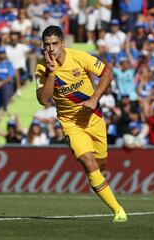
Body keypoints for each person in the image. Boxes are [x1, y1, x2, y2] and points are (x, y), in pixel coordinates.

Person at [35, 26, 127, 222]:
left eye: (55, 44)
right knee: (88, 161)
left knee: (100, 165)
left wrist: (94, 98)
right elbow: (43, 100)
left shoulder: (80, 57)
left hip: (93, 117)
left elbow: (107, 74)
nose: (51, 49)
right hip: (71, 123)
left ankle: (97, 182)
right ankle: (118, 210)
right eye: (47, 45)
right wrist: (51, 74)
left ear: (63, 43)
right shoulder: (42, 68)